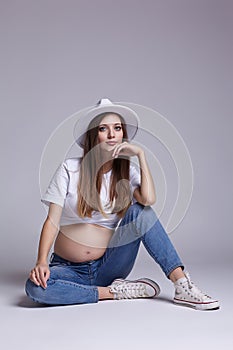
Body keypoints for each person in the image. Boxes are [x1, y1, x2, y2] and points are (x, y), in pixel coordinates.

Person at [25, 98, 219, 310]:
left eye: (117, 128)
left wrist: (141, 155)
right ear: (93, 135)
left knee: (140, 211)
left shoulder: (127, 173)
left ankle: (182, 285)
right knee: (35, 289)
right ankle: (113, 292)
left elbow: (148, 201)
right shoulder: (70, 169)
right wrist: (41, 261)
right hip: (67, 269)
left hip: (110, 265)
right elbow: (52, 221)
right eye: (103, 129)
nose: (111, 135)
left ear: (122, 134)